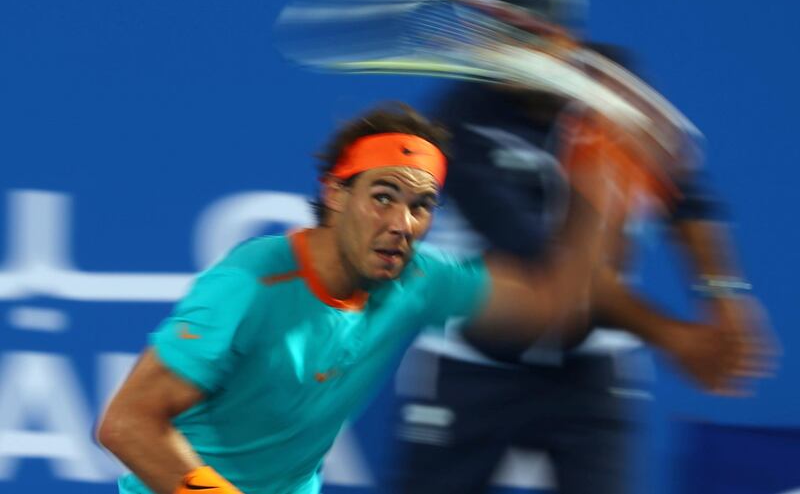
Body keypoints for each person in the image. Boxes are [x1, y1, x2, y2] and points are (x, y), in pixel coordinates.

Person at [96, 101, 657, 494]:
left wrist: (596, 197)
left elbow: (553, 305)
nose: (402, 223)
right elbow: (127, 424)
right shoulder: (250, 285)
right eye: (382, 197)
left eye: (422, 205)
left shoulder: (419, 281)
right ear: (336, 194)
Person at [387, 0, 775, 494]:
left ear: (568, 42)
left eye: (532, 36)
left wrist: (724, 295)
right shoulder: (458, 119)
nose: (516, 52)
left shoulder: (617, 83)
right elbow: (551, 266)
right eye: (502, 35)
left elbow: (684, 194)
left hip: (590, 373)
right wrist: (675, 336)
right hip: (473, 367)